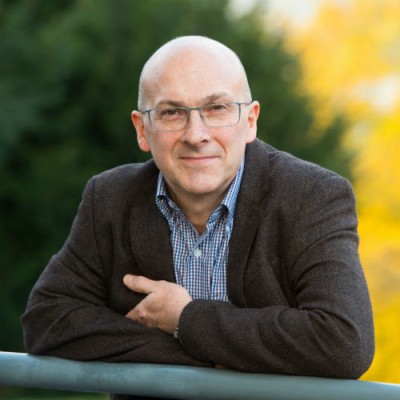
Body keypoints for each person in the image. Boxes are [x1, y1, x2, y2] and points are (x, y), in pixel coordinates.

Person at [22, 36, 374, 399]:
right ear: (142, 129)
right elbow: (47, 320)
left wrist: (185, 319)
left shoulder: (310, 196)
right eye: (171, 113)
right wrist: (203, 357)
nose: (196, 135)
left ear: (250, 120)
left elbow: (344, 342)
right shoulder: (110, 198)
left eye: (217, 108)